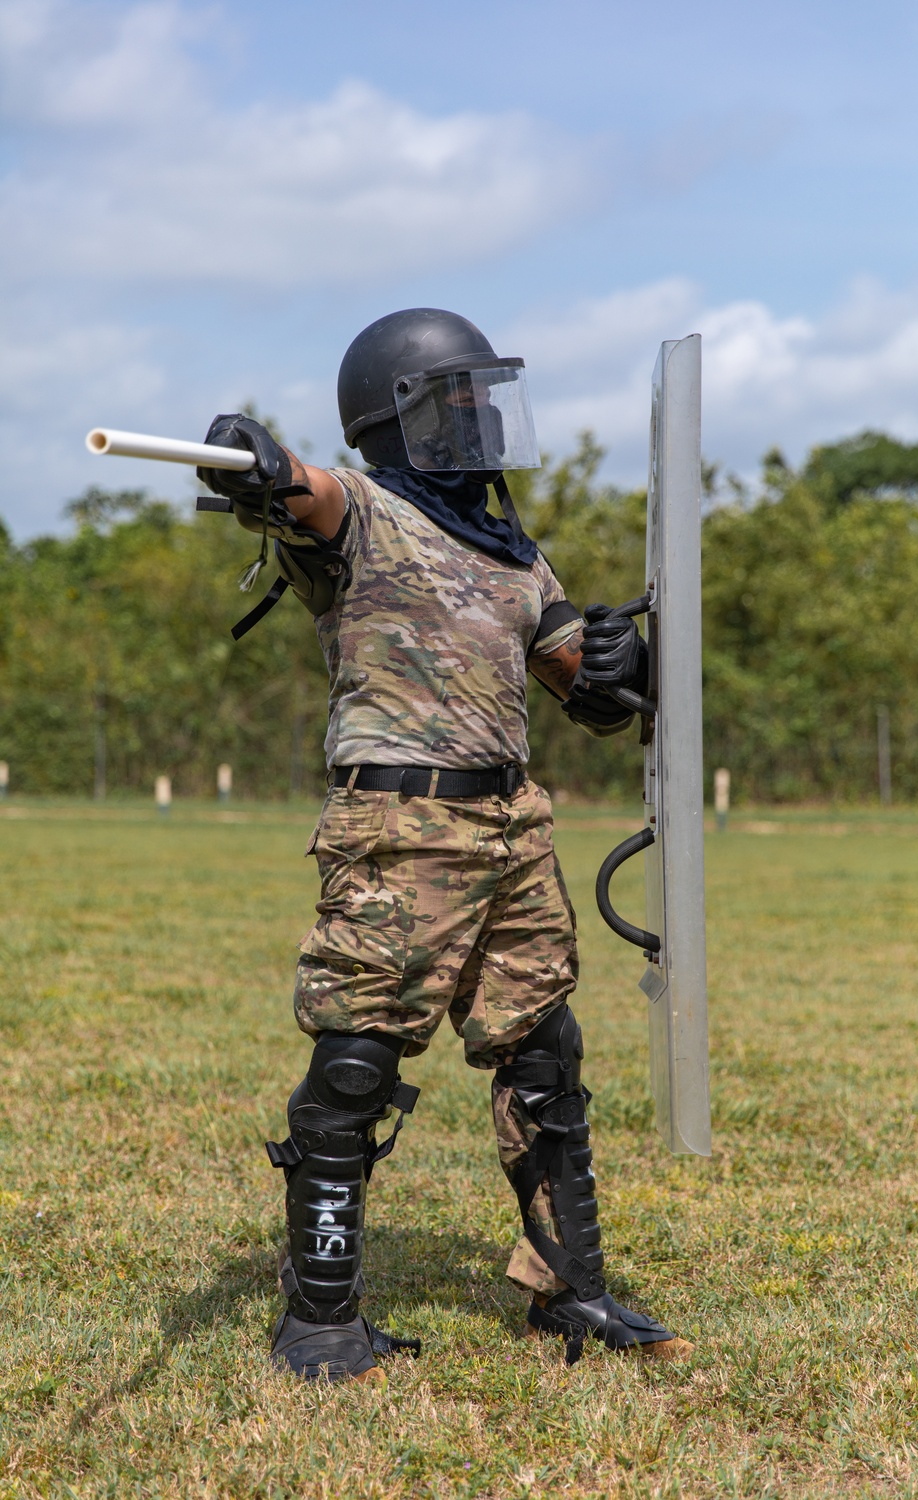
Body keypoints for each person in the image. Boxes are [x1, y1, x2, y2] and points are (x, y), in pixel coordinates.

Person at [198, 307, 694, 1383]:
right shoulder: (363, 511)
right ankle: (320, 1318)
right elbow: (301, 493)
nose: (479, 413)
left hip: (511, 827)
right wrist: (258, 464)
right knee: (358, 1061)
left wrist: (623, 657)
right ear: (407, 416)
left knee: (544, 1056)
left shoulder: (513, 551)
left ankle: (573, 1291)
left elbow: (591, 694)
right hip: (399, 830)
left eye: (483, 393)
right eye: (459, 395)